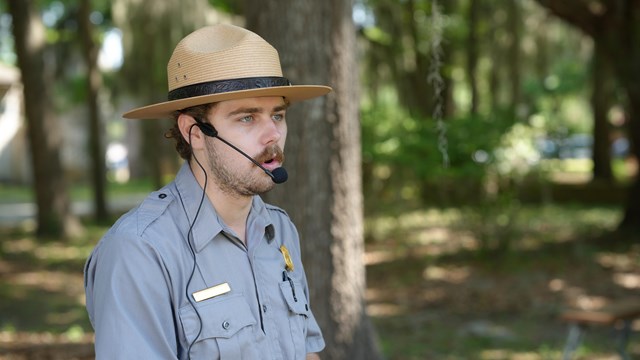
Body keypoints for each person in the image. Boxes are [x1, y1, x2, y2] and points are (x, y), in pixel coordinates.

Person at [84, 23, 331, 360]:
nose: (273, 134)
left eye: (278, 115)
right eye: (247, 118)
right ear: (195, 133)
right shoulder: (140, 250)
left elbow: (304, 351)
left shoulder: (280, 230)